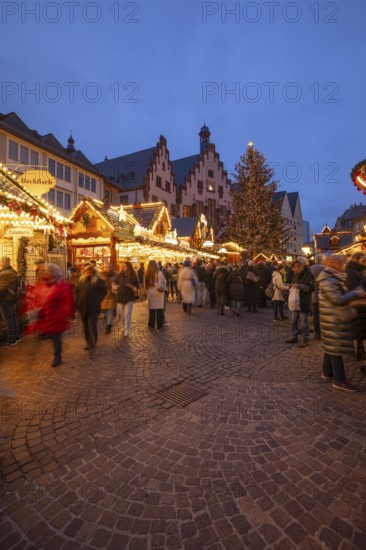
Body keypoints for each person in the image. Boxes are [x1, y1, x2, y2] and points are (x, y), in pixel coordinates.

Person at [318, 254, 366, 392]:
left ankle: (327, 372)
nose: (344, 265)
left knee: (331, 345)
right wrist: (356, 294)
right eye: (342, 263)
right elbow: (337, 299)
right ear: (336, 264)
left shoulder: (331, 276)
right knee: (336, 347)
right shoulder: (329, 279)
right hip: (333, 318)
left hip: (331, 316)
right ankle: (339, 380)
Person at [36, 264, 74, 368]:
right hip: (49, 315)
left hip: (57, 316)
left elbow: (68, 300)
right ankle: (57, 354)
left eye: (48, 271)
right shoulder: (48, 283)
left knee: (56, 337)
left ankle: (57, 356)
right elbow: (44, 297)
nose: (46, 273)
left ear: (53, 272)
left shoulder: (61, 284)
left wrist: (69, 313)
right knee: (54, 336)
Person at [76, 265, 107, 355]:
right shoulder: (81, 280)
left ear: (93, 272)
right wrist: (77, 303)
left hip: (94, 307)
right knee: (85, 325)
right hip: (82, 307)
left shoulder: (99, 281)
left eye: (88, 271)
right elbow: (77, 293)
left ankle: (94, 340)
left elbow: (103, 292)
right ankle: (87, 341)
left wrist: (98, 300)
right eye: (85, 271)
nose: (86, 273)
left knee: (92, 324)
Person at [286, 258, 314, 346]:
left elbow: (310, 288)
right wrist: (291, 285)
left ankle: (305, 339)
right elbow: (293, 283)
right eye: (295, 267)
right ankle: (294, 336)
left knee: (304, 321)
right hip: (295, 301)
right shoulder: (295, 274)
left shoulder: (309, 274)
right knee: (293, 320)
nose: (296, 268)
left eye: (298, 266)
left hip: (304, 300)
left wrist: (299, 286)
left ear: (303, 266)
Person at [345, 251, 366, 359]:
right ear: (356, 260)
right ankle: (358, 350)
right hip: (356, 304)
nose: (365, 263)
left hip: (363, 304)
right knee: (358, 328)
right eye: (363, 260)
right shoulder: (350, 271)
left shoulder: (361, 270)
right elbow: (352, 287)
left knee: (362, 328)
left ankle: (361, 348)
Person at [0, 256, 21, 346]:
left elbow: (1, 288)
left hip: (5, 300)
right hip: (12, 299)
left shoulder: (4, 274)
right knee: (13, 317)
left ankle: (11, 339)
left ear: (2, 263)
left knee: (8, 320)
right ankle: (16, 336)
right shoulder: (13, 272)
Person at [115, 261, 139, 337]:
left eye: (125, 266)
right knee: (121, 314)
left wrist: (132, 287)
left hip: (129, 297)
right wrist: (114, 286)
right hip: (120, 297)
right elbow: (115, 283)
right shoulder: (119, 275)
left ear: (129, 267)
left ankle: (126, 329)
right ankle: (123, 326)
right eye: (123, 265)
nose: (124, 267)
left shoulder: (133, 276)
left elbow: (136, 286)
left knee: (127, 314)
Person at [144, 260, 167, 328]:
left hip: (150, 293)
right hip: (159, 293)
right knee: (159, 309)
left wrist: (146, 293)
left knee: (152, 310)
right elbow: (164, 281)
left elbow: (145, 285)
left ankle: (151, 324)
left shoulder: (146, 273)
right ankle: (159, 324)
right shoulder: (159, 273)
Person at [309, 253, 326, 340]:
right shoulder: (325, 269)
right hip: (324, 296)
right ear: (323, 259)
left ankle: (317, 333)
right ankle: (324, 333)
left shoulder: (310, 269)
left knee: (315, 315)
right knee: (324, 315)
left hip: (313, 295)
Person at [100, 263, 118, 335]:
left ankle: (108, 325)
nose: (108, 268)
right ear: (105, 267)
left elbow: (118, 283)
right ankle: (108, 322)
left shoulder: (116, 275)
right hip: (103, 296)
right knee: (104, 311)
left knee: (110, 311)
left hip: (112, 296)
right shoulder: (101, 275)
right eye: (107, 267)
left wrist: (115, 286)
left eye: (110, 267)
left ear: (112, 267)